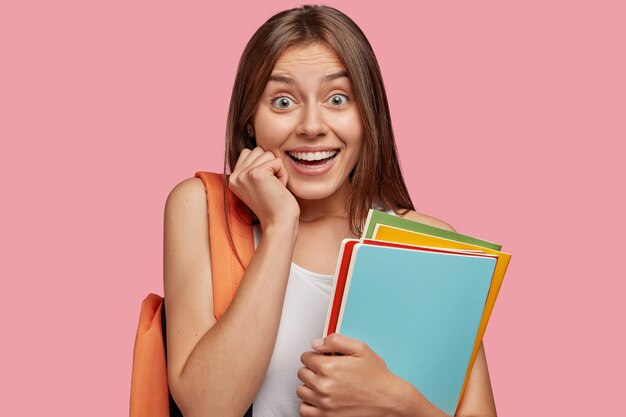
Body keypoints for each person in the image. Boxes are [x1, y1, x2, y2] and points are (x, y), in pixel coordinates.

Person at [162, 5, 497, 417]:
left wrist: (393, 399)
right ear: (250, 119)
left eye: (337, 99)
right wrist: (280, 224)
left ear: (367, 114)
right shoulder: (200, 207)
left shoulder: (426, 242)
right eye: (282, 101)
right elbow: (207, 407)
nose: (311, 126)